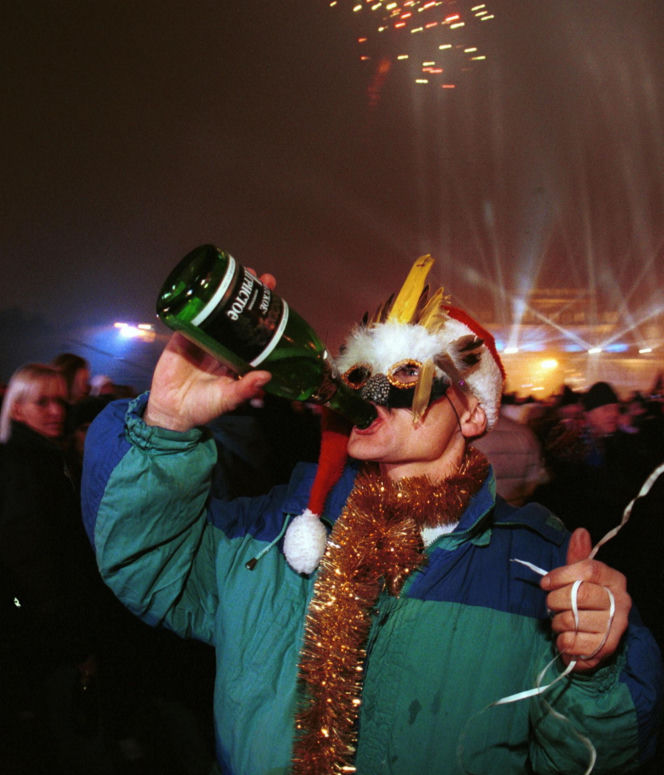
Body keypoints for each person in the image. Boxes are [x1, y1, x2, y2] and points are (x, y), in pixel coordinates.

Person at [81, 258, 662, 774]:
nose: (374, 392)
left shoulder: (535, 565)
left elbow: (598, 756)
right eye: (360, 375)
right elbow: (152, 569)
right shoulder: (279, 527)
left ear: (473, 416)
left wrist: (596, 667)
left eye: (408, 374)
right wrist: (164, 423)